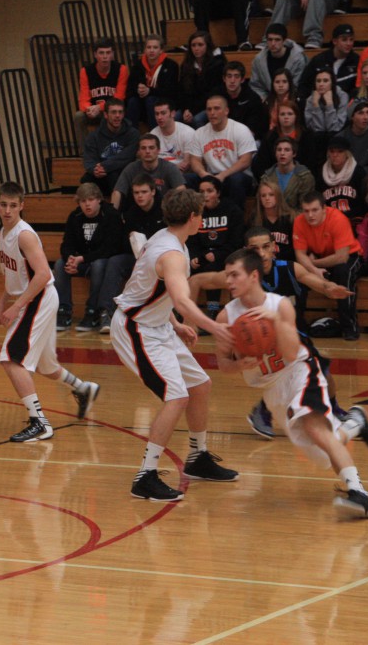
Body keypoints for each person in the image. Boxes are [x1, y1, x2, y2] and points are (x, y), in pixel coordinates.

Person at [215, 248, 368, 518]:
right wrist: (238, 365)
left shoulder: (279, 305)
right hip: (271, 389)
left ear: (253, 275)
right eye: (227, 276)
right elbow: (223, 364)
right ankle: (355, 422)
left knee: (315, 428)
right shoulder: (226, 317)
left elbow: (292, 353)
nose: (229, 281)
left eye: (235, 275)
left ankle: (360, 494)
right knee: (322, 452)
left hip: (299, 372)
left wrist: (275, 323)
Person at [110, 188, 238, 501]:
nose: (202, 219)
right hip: (136, 329)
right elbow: (181, 299)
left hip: (158, 325)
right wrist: (214, 327)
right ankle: (145, 476)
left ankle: (197, 458)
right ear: (193, 217)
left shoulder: (168, 238)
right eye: (201, 214)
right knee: (177, 396)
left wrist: (176, 324)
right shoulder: (170, 254)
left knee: (200, 385)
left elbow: (150, 291)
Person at [189, 227, 353, 438]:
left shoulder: (289, 268)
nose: (262, 253)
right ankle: (271, 411)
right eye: (254, 249)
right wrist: (190, 321)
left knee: (322, 372)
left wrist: (330, 288)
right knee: (299, 375)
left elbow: (318, 283)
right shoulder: (237, 276)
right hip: (254, 337)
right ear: (246, 251)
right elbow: (195, 281)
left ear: (274, 247)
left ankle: (328, 408)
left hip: (292, 334)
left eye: (266, 247)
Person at [0, 183, 100, 442]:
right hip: (32, 298)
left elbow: (43, 275)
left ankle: (39, 422)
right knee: (44, 365)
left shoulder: (24, 235)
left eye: (13, 205)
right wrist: (2, 301)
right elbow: (14, 275)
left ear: (22, 205)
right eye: (3, 205)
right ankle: (83, 388)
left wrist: (17, 305)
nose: (7, 210)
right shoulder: (3, 233)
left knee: (11, 359)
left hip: (38, 298)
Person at [55, 183, 132, 334]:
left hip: (101, 261)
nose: (87, 204)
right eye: (83, 201)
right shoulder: (75, 216)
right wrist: (70, 258)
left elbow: (110, 248)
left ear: (99, 200)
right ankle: (64, 311)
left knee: (99, 264)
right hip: (82, 261)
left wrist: (83, 258)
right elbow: (66, 244)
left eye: (90, 200)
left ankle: (92, 312)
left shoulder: (110, 215)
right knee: (59, 264)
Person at [294, 191, 365, 340]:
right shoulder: (299, 221)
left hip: (350, 256)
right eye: (306, 211)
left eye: (315, 210)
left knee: (344, 273)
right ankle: (299, 326)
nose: (310, 215)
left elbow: (341, 257)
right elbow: (300, 255)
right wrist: (313, 270)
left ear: (324, 209)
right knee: (297, 274)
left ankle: (350, 327)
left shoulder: (338, 219)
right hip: (321, 258)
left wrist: (313, 263)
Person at [189, 176, 245, 320]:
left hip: (226, 256)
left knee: (212, 267)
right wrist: (193, 257)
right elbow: (191, 240)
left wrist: (218, 254)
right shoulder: (195, 212)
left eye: (209, 191)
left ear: (218, 193)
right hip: (202, 256)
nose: (205, 195)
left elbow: (236, 242)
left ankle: (213, 309)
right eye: (201, 192)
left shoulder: (232, 210)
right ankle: (183, 312)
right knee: (182, 267)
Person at [188, 94, 258, 208]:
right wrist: (204, 175)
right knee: (187, 179)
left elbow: (246, 161)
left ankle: (235, 215)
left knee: (236, 180)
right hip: (211, 175)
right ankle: (196, 216)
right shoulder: (200, 133)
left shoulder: (240, 129)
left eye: (216, 108)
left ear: (226, 111)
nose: (212, 113)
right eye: (209, 109)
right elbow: (194, 160)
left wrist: (223, 175)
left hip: (237, 175)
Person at [74, 38, 130, 149]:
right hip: (93, 112)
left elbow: (119, 98)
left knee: (108, 114)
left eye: (108, 53)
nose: (105, 56)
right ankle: (85, 152)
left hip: (113, 111)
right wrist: (89, 109)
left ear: (113, 54)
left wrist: (99, 108)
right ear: (95, 54)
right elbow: (83, 98)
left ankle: (108, 151)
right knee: (78, 116)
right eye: (101, 53)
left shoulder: (121, 69)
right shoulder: (85, 71)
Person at [80, 98, 139, 197]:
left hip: (124, 173)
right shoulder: (94, 136)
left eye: (120, 112)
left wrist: (104, 166)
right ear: (105, 115)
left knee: (114, 175)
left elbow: (127, 156)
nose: (117, 115)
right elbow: (89, 159)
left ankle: (117, 206)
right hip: (102, 175)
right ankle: (92, 206)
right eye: (113, 112)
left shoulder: (133, 134)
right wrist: (95, 170)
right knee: (86, 179)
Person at [111, 134, 186, 210]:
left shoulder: (169, 167)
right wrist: (112, 213)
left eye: (151, 148)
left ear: (158, 150)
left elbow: (181, 190)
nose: (147, 151)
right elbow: (117, 192)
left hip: (164, 210)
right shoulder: (131, 168)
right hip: (137, 210)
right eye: (143, 148)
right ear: (139, 151)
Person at [318, 136, 368, 232]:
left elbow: (364, 202)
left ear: (347, 153)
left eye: (340, 151)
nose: (335, 155)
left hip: (354, 220)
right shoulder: (321, 173)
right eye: (332, 151)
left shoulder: (358, 172)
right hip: (330, 221)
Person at [127, 35, 180, 126]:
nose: (151, 50)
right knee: (133, 101)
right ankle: (131, 132)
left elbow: (171, 91)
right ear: (145, 50)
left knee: (150, 100)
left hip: (163, 102)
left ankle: (155, 132)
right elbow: (130, 89)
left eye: (155, 47)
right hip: (142, 104)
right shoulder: (137, 66)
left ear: (161, 50)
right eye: (149, 47)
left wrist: (149, 91)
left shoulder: (171, 65)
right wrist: (138, 90)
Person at [178, 31, 227, 128]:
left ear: (208, 46)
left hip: (210, 104)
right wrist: (185, 109)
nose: (196, 48)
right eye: (193, 45)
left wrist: (192, 111)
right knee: (175, 117)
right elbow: (182, 91)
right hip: (190, 106)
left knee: (197, 119)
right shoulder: (186, 65)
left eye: (200, 45)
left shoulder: (217, 64)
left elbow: (213, 92)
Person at [299, 24, 360, 99]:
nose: (349, 43)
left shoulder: (357, 61)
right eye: (344, 40)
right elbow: (304, 85)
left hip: (347, 103)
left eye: (351, 39)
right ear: (335, 41)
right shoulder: (319, 60)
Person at [258, 135, 316, 211]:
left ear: (294, 154)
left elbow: (305, 208)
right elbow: (260, 206)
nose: (282, 153)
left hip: (295, 216)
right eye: (279, 150)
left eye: (287, 150)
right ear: (275, 154)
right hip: (272, 216)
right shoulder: (266, 178)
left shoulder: (305, 177)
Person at [249, 25, 307, 100]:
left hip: (292, 100)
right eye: (270, 40)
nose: (273, 43)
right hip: (267, 101)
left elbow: (299, 85)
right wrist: (266, 99)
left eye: (277, 40)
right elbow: (255, 85)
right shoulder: (258, 60)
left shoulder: (298, 59)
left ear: (284, 41)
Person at [303, 67, 350, 158]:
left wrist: (329, 104)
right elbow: (317, 129)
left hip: (336, 138)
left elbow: (335, 128)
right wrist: (316, 105)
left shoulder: (342, 96)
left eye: (325, 81)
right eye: (318, 81)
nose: (321, 84)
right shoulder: (311, 100)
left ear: (332, 83)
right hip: (317, 140)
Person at [218, 61, 268, 141]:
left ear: (242, 79)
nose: (232, 80)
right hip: (222, 137)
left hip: (248, 138)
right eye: (229, 76)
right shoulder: (217, 96)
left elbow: (252, 130)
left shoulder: (253, 98)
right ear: (224, 79)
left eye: (236, 76)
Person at [151, 99, 196, 186]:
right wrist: (174, 167)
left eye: (163, 113)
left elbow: (186, 165)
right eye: (157, 114)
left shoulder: (187, 133)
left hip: (182, 177)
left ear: (173, 114)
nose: (159, 117)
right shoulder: (153, 135)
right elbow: (151, 163)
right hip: (160, 176)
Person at [254, 178, 298, 261]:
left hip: (288, 262)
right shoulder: (255, 220)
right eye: (263, 195)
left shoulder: (291, 218)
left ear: (278, 196)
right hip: (263, 262)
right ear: (259, 199)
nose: (267, 198)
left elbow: (297, 248)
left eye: (271, 195)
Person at [338, 100, 368, 174]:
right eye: (360, 113)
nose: (365, 117)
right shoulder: (341, 137)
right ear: (352, 116)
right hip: (346, 175)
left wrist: (362, 172)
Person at [123, 174, 168, 254]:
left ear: (153, 192)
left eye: (144, 192)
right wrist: (131, 237)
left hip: (164, 251)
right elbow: (125, 244)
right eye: (136, 193)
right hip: (139, 254)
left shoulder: (165, 209)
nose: (140, 196)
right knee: (116, 260)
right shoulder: (131, 213)